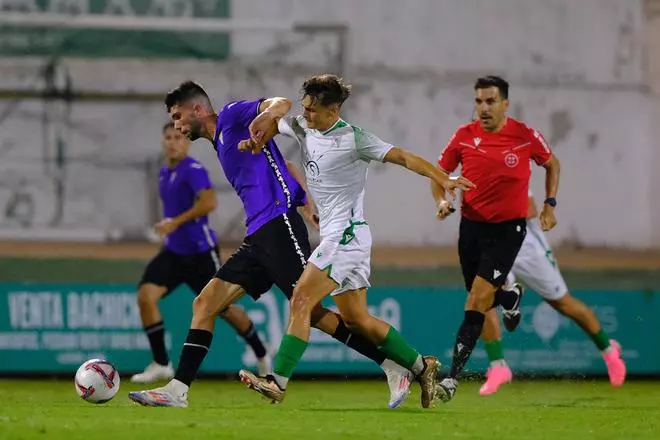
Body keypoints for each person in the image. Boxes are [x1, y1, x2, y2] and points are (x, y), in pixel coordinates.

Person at [128, 81, 416, 408]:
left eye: (178, 116)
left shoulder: (233, 117)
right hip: (257, 235)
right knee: (205, 304)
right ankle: (178, 390)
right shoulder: (222, 141)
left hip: (279, 225)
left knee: (313, 312)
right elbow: (286, 166)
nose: (177, 126)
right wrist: (308, 206)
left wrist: (269, 115)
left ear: (197, 109)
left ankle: (392, 366)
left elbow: (280, 103)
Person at [237, 74, 474, 408]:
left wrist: (442, 177)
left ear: (333, 111)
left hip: (347, 236)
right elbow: (276, 124)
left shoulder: (354, 138)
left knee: (301, 298)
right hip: (341, 236)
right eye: (304, 108)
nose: (306, 115)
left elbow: (404, 157)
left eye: (313, 110)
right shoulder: (305, 127)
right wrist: (257, 137)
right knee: (356, 320)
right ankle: (423, 366)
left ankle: (277, 382)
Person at [431, 75, 560, 403]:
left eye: (490, 101)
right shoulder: (464, 136)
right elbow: (439, 174)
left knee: (474, 302)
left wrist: (549, 204)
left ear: (505, 103)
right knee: (479, 297)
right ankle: (509, 298)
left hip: (508, 230)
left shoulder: (524, 135)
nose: (483, 108)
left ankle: (452, 377)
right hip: (471, 229)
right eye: (478, 101)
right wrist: (443, 201)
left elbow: (552, 164)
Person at [131, 121, 270, 384]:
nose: (173, 142)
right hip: (173, 252)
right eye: (169, 137)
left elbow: (209, 202)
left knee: (224, 309)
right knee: (146, 296)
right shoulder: (164, 172)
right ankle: (161, 363)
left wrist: (175, 222)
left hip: (200, 252)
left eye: (178, 137)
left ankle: (262, 354)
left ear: (186, 142)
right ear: (163, 141)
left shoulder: (192, 170)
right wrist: (169, 228)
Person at [478, 190, 626, 395]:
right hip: (495, 247)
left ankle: (609, 351)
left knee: (563, 303)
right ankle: (498, 365)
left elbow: (529, 208)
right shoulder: (472, 170)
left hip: (526, 247)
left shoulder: (509, 162)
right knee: (482, 297)